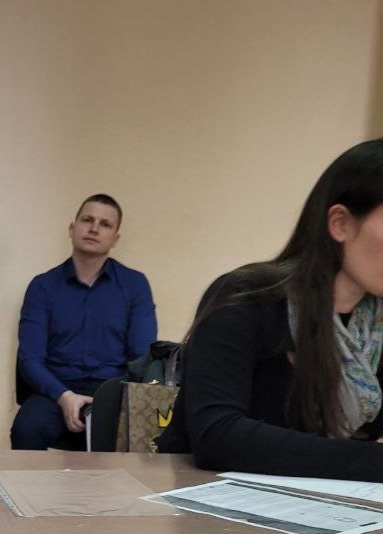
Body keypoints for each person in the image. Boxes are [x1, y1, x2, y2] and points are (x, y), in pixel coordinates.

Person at [156, 139, 383, 482]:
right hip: (201, 500)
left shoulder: (375, 327)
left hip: (316, 503)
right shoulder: (246, 298)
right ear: (340, 223)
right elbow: (218, 436)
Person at [11, 194, 157, 450]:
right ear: (72, 228)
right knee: (27, 429)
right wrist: (64, 396)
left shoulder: (135, 285)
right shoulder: (43, 286)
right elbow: (30, 359)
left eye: (105, 224)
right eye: (87, 220)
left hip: (112, 389)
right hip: (56, 389)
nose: (94, 228)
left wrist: (107, 399)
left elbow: (141, 357)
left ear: (115, 239)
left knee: (132, 436)